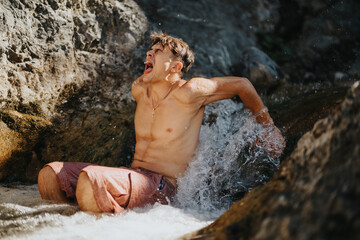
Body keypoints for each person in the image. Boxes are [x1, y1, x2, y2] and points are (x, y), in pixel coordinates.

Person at [38, 31, 285, 214]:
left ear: (176, 67)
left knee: (91, 180)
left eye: (158, 52)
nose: (149, 53)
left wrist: (267, 126)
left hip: (163, 187)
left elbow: (242, 84)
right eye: (150, 50)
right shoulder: (140, 90)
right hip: (133, 176)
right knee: (50, 174)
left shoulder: (190, 91)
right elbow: (146, 78)